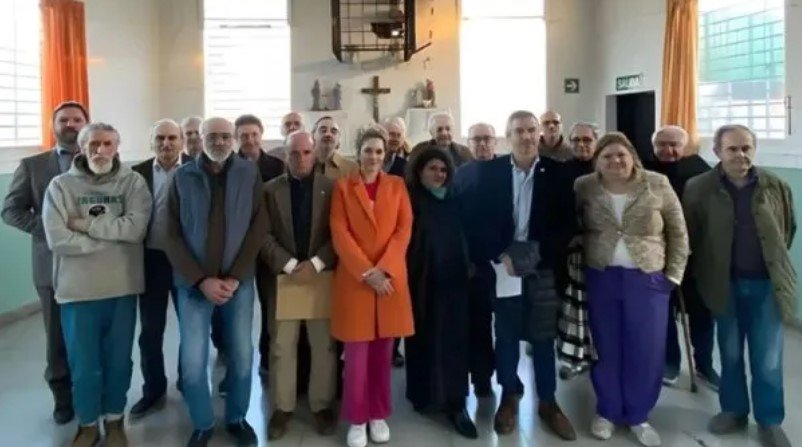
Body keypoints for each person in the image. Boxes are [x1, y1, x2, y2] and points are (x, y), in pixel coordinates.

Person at [454, 111, 577, 440]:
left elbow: (568, 225)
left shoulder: (558, 173)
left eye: (531, 130)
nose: (526, 136)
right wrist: (501, 254)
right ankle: (509, 395)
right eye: (518, 131)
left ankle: (548, 402)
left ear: (539, 134)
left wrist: (534, 254)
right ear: (507, 137)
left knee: (543, 336)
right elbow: (477, 221)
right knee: (506, 334)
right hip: (503, 266)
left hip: (542, 267)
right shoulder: (490, 172)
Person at [684, 124, 795, 447]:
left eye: (746, 148)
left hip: (766, 287)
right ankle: (733, 411)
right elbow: (691, 235)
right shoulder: (698, 188)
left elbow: (787, 229)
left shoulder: (775, 185)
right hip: (724, 285)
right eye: (732, 149)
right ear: (717, 152)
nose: (741, 155)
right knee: (730, 353)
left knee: (768, 359)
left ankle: (769, 420)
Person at [575, 131, 689, 446]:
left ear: (633, 157)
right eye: (607, 156)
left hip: (649, 279)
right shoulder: (584, 186)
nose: (615, 161)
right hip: (601, 276)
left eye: (621, 155)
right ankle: (607, 411)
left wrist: (673, 275)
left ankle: (639, 414)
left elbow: (678, 232)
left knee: (646, 349)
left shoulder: (657, 183)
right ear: (597, 161)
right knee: (606, 347)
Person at [42, 122, 152, 447]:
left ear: (117, 147)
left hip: (121, 288)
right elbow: (58, 239)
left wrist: (84, 224)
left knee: (119, 363)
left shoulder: (133, 183)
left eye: (107, 144)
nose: (100, 150)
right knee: (84, 365)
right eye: (93, 144)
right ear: (82, 147)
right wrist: (111, 239)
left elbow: (136, 229)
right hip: (77, 292)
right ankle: (87, 424)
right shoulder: (60, 186)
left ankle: (115, 421)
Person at [165, 117, 267, 447]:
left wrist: (236, 276)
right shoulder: (182, 177)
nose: (220, 142)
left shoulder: (249, 173)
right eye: (213, 136)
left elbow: (259, 226)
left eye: (225, 136)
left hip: (238, 283)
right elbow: (170, 234)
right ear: (200, 138)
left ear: (234, 139)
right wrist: (200, 280)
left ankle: (237, 418)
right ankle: (203, 423)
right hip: (194, 286)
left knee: (242, 355)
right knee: (193, 362)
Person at [1, 101, 89, 424]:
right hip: (50, 266)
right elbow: (11, 210)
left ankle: (91, 392)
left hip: (94, 267)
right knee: (57, 337)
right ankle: (62, 397)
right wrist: (50, 230)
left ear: (86, 124)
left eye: (77, 119)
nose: (70, 124)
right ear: (53, 125)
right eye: (64, 120)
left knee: (90, 335)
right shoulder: (32, 166)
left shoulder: (103, 161)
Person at [329, 127, 414, 447]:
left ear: (385, 154)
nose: (374, 157)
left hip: (389, 281)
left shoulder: (397, 185)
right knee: (356, 359)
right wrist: (367, 272)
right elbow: (339, 232)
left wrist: (385, 269)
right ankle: (357, 418)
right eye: (368, 150)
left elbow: (404, 230)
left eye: (379, 151)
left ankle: (378, 414)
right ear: (358, 152)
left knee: (382, 355)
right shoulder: (343, 187)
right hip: (357, 281)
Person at [261, 131, 338, 440]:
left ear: (314, 154)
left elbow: (340, 232)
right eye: (294, 153)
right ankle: (282, 408)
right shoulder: (269, 190)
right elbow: (262, 235)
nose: (301, 159)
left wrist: (316, 263)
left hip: (321, 276)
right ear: (285, 155)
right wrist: (290, 264)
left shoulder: (332, 188)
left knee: (324, 345)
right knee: (282, 345)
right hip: (285, 278)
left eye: (306, 152)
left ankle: (322, 405)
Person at [404, 147, 478, 439]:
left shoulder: (455, 200)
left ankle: (456, 403)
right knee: (423, 340)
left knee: (454, 343)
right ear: (419, 171)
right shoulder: (410, 200)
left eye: (443, 170)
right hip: (420, 284)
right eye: (432, 169)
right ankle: (424, 396)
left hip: (454, 285)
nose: (438, 174)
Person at [129, 119, 194, 419]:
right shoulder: (136, 173)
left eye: (172, 138)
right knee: (151, 330)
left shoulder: (196, 168)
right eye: (160, 138)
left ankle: (188, 381)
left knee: (190, 327)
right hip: (151, 260)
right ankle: (153, 389)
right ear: (152, 142)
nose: (166, 144)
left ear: (182, 141)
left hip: (187, 260)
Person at [644, 125, 718, 389]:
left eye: (674, 144)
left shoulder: (702, 172)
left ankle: (705, 365)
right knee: (662, 311)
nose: (668, 150)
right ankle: (669, 362)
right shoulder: (644, 171)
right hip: (658, 254)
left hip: (695, 256)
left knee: (702, 312)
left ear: (685, 146)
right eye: (661, 144)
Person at [234, 113, 285, 379]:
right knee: (237, 311)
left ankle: (267, 359)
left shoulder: (277, 166)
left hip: (267, 245)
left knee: (270, 306)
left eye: (254, 134)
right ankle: (234, 364)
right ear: (236, 138)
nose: (250, 140)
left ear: (261, 134)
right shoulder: (228, 166)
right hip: (237, 248)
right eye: (244, 135)